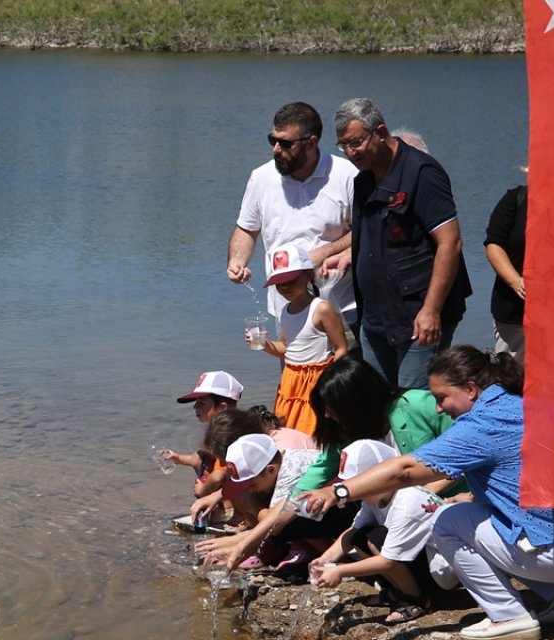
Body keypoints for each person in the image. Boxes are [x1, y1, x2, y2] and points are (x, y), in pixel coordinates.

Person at [294, 346, 554, 640]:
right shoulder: (521, 401)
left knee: (447, 521)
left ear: (470, 390)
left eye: (441, 397)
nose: (437, 409)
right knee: (488, 514)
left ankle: (508, 618)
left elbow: (405, 470)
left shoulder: (479, 426)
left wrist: (339, 491)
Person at [195, 356, 456, 570]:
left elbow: (467, 455)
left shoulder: (417, 406)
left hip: (438, 503)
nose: (328, 415)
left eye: (332, 407)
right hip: (379, 508)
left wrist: (427, 493)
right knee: (298, 517)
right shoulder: (343, 434)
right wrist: (242, 545)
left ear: (356, 402)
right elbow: (295, 499)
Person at [333, 98, 473, 388]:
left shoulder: (421, 173)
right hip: (375, 319)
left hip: (418, 319)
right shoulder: (363, 181)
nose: (350, 152)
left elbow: (450, 243)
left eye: (355, 142)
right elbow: (370, 241)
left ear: (381, 132)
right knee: (377, 406)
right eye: (343, 145)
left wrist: (432, 310)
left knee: (413, 407)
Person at [226, 101, 357, 329]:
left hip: (343, 307)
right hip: (287, 308)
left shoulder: (346, 175)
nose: (276, 149)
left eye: (285, 143)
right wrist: (237, 261)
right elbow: (247, 229)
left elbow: (368, 230)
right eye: (272, 140)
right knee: (294, 366)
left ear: (311, 142)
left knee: (347, 365)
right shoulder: (261, 178)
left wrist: (327, 252)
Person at [309, 439, 456, 626]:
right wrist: (325, 559)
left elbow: (387, 560)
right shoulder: (377, 495)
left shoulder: (407, 502)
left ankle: (416, 600)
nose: (355, 491)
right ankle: (396, 589)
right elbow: (353, 532)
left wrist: (340, 571)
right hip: (419, 559)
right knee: (360, 536)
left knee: (376, 539)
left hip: (442, 570)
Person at [253, 242, 350, 435]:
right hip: (291, 380)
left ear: (308, 275)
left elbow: (341, 348)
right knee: (288, 429)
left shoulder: (321, 308)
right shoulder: (284, 312)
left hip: (316, 378)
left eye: (291, 280)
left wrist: (329, 379)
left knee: (315, 430)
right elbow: (286, 348)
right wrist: (264, 344)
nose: (285, 286)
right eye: (279, 283)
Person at [190, 433, 319, 565]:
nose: (251, 489)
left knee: (291, 521)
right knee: (245, 496)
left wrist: (234, 543)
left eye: (253, 484)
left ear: (271, 470)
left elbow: (274, 525)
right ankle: (271, 547)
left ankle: (323, 555)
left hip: (335, 519)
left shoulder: (290, 472)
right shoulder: (279, 460)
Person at [163, 371, 244, 498]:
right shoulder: (221, 427)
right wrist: (178, 458)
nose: (195, 407)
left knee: (206, 459)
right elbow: (198, 458)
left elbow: (218, 476)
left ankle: (226, 508)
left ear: (222, 408)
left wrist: (203, 490)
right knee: (203, 455)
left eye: (201, 403)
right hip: (234, 485)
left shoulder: (227, 433)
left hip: (239, 489)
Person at [484, 173, 527, 363]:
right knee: (512, 378)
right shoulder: (515, 199)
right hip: (513, 310)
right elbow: (494, 244)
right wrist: (516, 281)